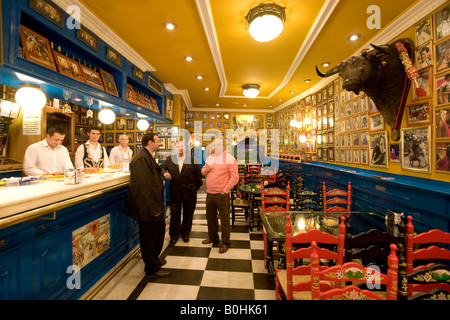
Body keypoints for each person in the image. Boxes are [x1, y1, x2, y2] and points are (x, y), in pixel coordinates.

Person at [123, 133, 171, 280]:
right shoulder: (141, 159)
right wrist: (154, 210)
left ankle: (154, 260)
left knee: (157, 235)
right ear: (150, 142)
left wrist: (159, 180)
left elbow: (154, 175)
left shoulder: (147, 156)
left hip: (154, 207)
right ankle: (151, 267)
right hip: (148, 208)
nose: (159, 144)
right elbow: (144, 188)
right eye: (157, 141)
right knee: (149, 239)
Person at [201, 138, 239, 254]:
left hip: (221, 194)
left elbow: (235, 177)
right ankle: (213, 237)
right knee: (210, 218)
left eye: (218, 145)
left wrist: (225, 190)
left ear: (223, 146)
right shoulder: (210, 158)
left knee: (224, 220)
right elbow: (203, 171)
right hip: (209, 193)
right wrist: (206, 169)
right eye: (214, 145)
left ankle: (226, 242)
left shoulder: (230, 159)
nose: (216, 147)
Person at [161, 141, 203, 246]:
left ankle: (185, 234)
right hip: (175, 191)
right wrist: (165, 173)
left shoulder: (192, 160)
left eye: (182, 147)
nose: (180, 149)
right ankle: (174, 236)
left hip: (190, 192)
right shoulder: (170, 159)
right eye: (178, 147)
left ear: (185, 149)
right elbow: (161, 168)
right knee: (174, 215)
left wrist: (194, 188)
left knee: (188, 214)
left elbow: (199, 177)